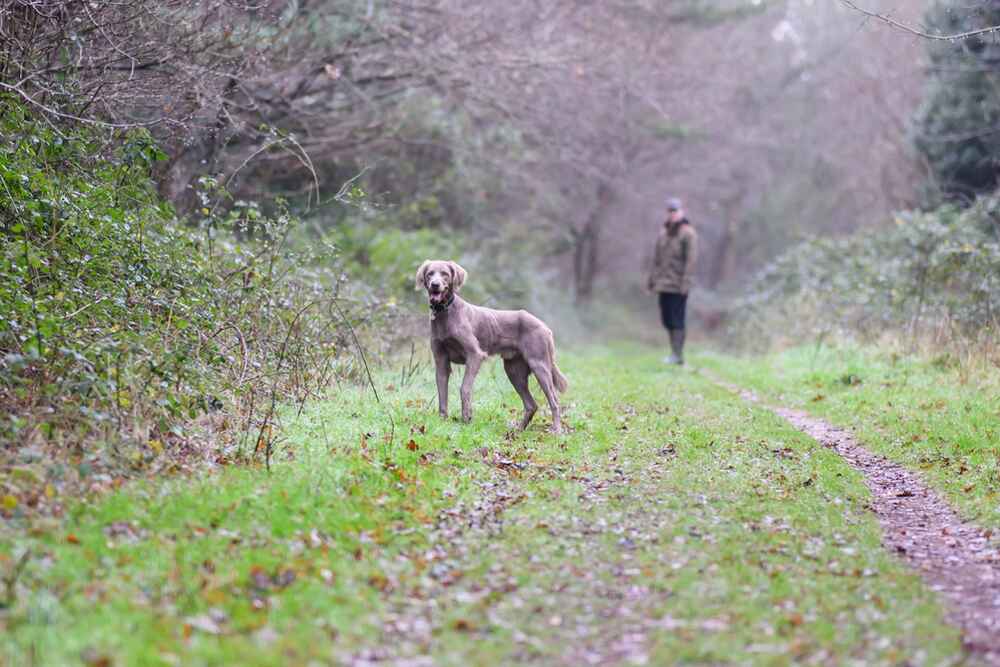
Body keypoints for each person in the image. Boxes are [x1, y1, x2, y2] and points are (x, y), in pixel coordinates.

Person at [647, 197, 698, 365]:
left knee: (677, 319)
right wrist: (652, 279)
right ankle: (673, 353)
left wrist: (686, 282)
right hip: (663, 284)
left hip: (679, 284)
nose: (672, 214)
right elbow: (657, 259)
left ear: (681, 212)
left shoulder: (688, 233)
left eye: (675, 211)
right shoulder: (663, 232)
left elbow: (691, 260)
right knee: (667, 319)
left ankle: (678, 354)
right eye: (670, 211)